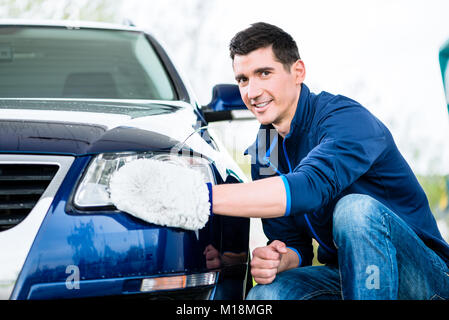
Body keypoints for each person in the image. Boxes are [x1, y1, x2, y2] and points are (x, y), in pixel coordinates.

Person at [209, 22, 449, 300]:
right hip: (347, 275)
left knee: (354, 210)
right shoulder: (264, 150)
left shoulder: (344, 118)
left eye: (264, 73)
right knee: (267, 294)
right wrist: (279, 258)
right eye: (243, 80)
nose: (252, 92)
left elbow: (309, 186)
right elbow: (296, 246)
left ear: (297, 72)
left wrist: (201, 198)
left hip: (427, 278)